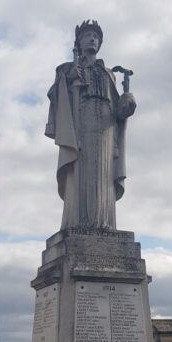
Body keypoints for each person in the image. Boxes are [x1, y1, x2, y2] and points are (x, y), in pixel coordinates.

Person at [45, 20, 136, 229]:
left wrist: (128, 101)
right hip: (81, 127)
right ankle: (79, 222)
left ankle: (104, 224)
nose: (93, 39)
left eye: (96, 36)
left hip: (106, 130)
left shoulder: (108, 73)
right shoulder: (67, 69)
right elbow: (55, 98)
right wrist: (68, 80)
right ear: (79, 41)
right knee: (82, 174)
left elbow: (119, 111)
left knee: (103, 175)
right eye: (88, 35)